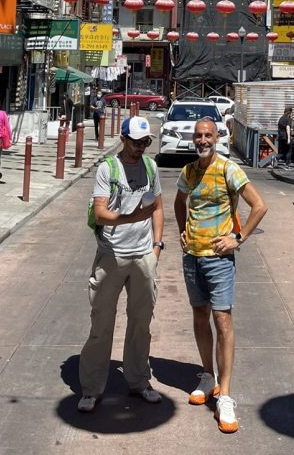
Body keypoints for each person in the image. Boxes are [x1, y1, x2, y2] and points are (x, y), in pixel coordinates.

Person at [173, 118, 268, 434]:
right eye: (198, 136)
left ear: (217, 137)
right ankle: (206, 375)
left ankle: (225, 395)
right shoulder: (189, 172)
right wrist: (182, 232)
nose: (202, 140)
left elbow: (259, 206)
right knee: (199, 316)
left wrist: (237, 239)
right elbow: (178, 202)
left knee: (222, 321)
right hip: (192, 258)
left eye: (207, 135)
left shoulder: (229, 169)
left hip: (219, 260)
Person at [78, 115, 164, 413]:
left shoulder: (150, 166)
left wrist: (157, 245)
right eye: (135, 142)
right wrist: (130, 219)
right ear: (123, 139)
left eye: (145, 142)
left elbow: (158, 207)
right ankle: (91, 388)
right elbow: (100, 214)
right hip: (111, 255)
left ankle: (139, 380)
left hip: (143, 255)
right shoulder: (108, 169)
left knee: (141, 323)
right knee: (102, 324)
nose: (140, 147)